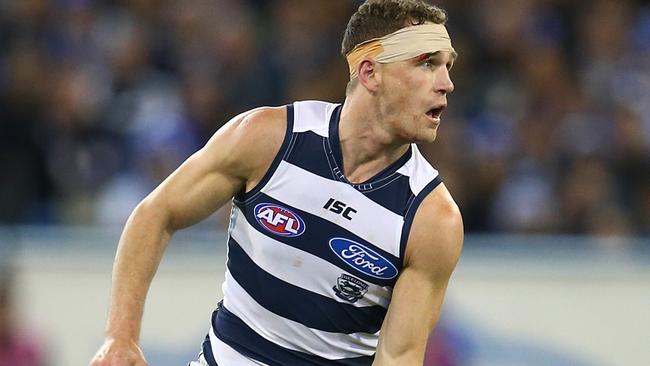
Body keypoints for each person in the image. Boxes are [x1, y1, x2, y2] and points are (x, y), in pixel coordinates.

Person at [90, 0, 463, 365]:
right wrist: (120, 337)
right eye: (427, 63)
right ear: (369, 72)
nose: (446, 83)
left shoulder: (432, 218)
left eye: (447, 67)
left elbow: (398, 358)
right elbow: (156, 214)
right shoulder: (269, 140)